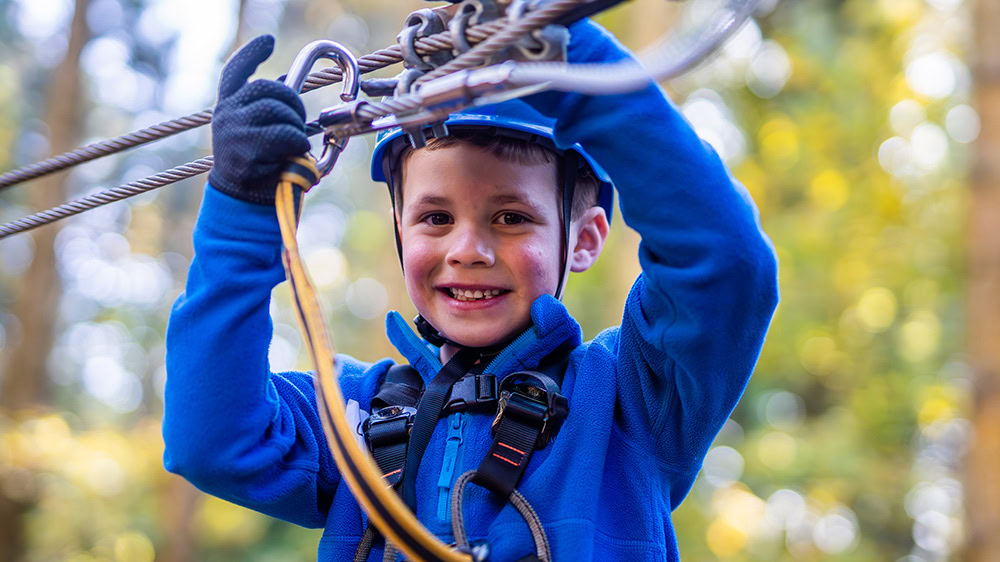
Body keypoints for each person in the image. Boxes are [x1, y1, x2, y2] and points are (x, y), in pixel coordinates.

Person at [162, 18, 779, 562]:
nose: (467, 250)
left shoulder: (632, 404)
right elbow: (213, 439)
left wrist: (570, 61)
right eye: (435, 219)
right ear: (400, 233)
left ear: (586, 239)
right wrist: (242, 212)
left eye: (511, 218)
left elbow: (725, 263)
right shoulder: (355, 414)